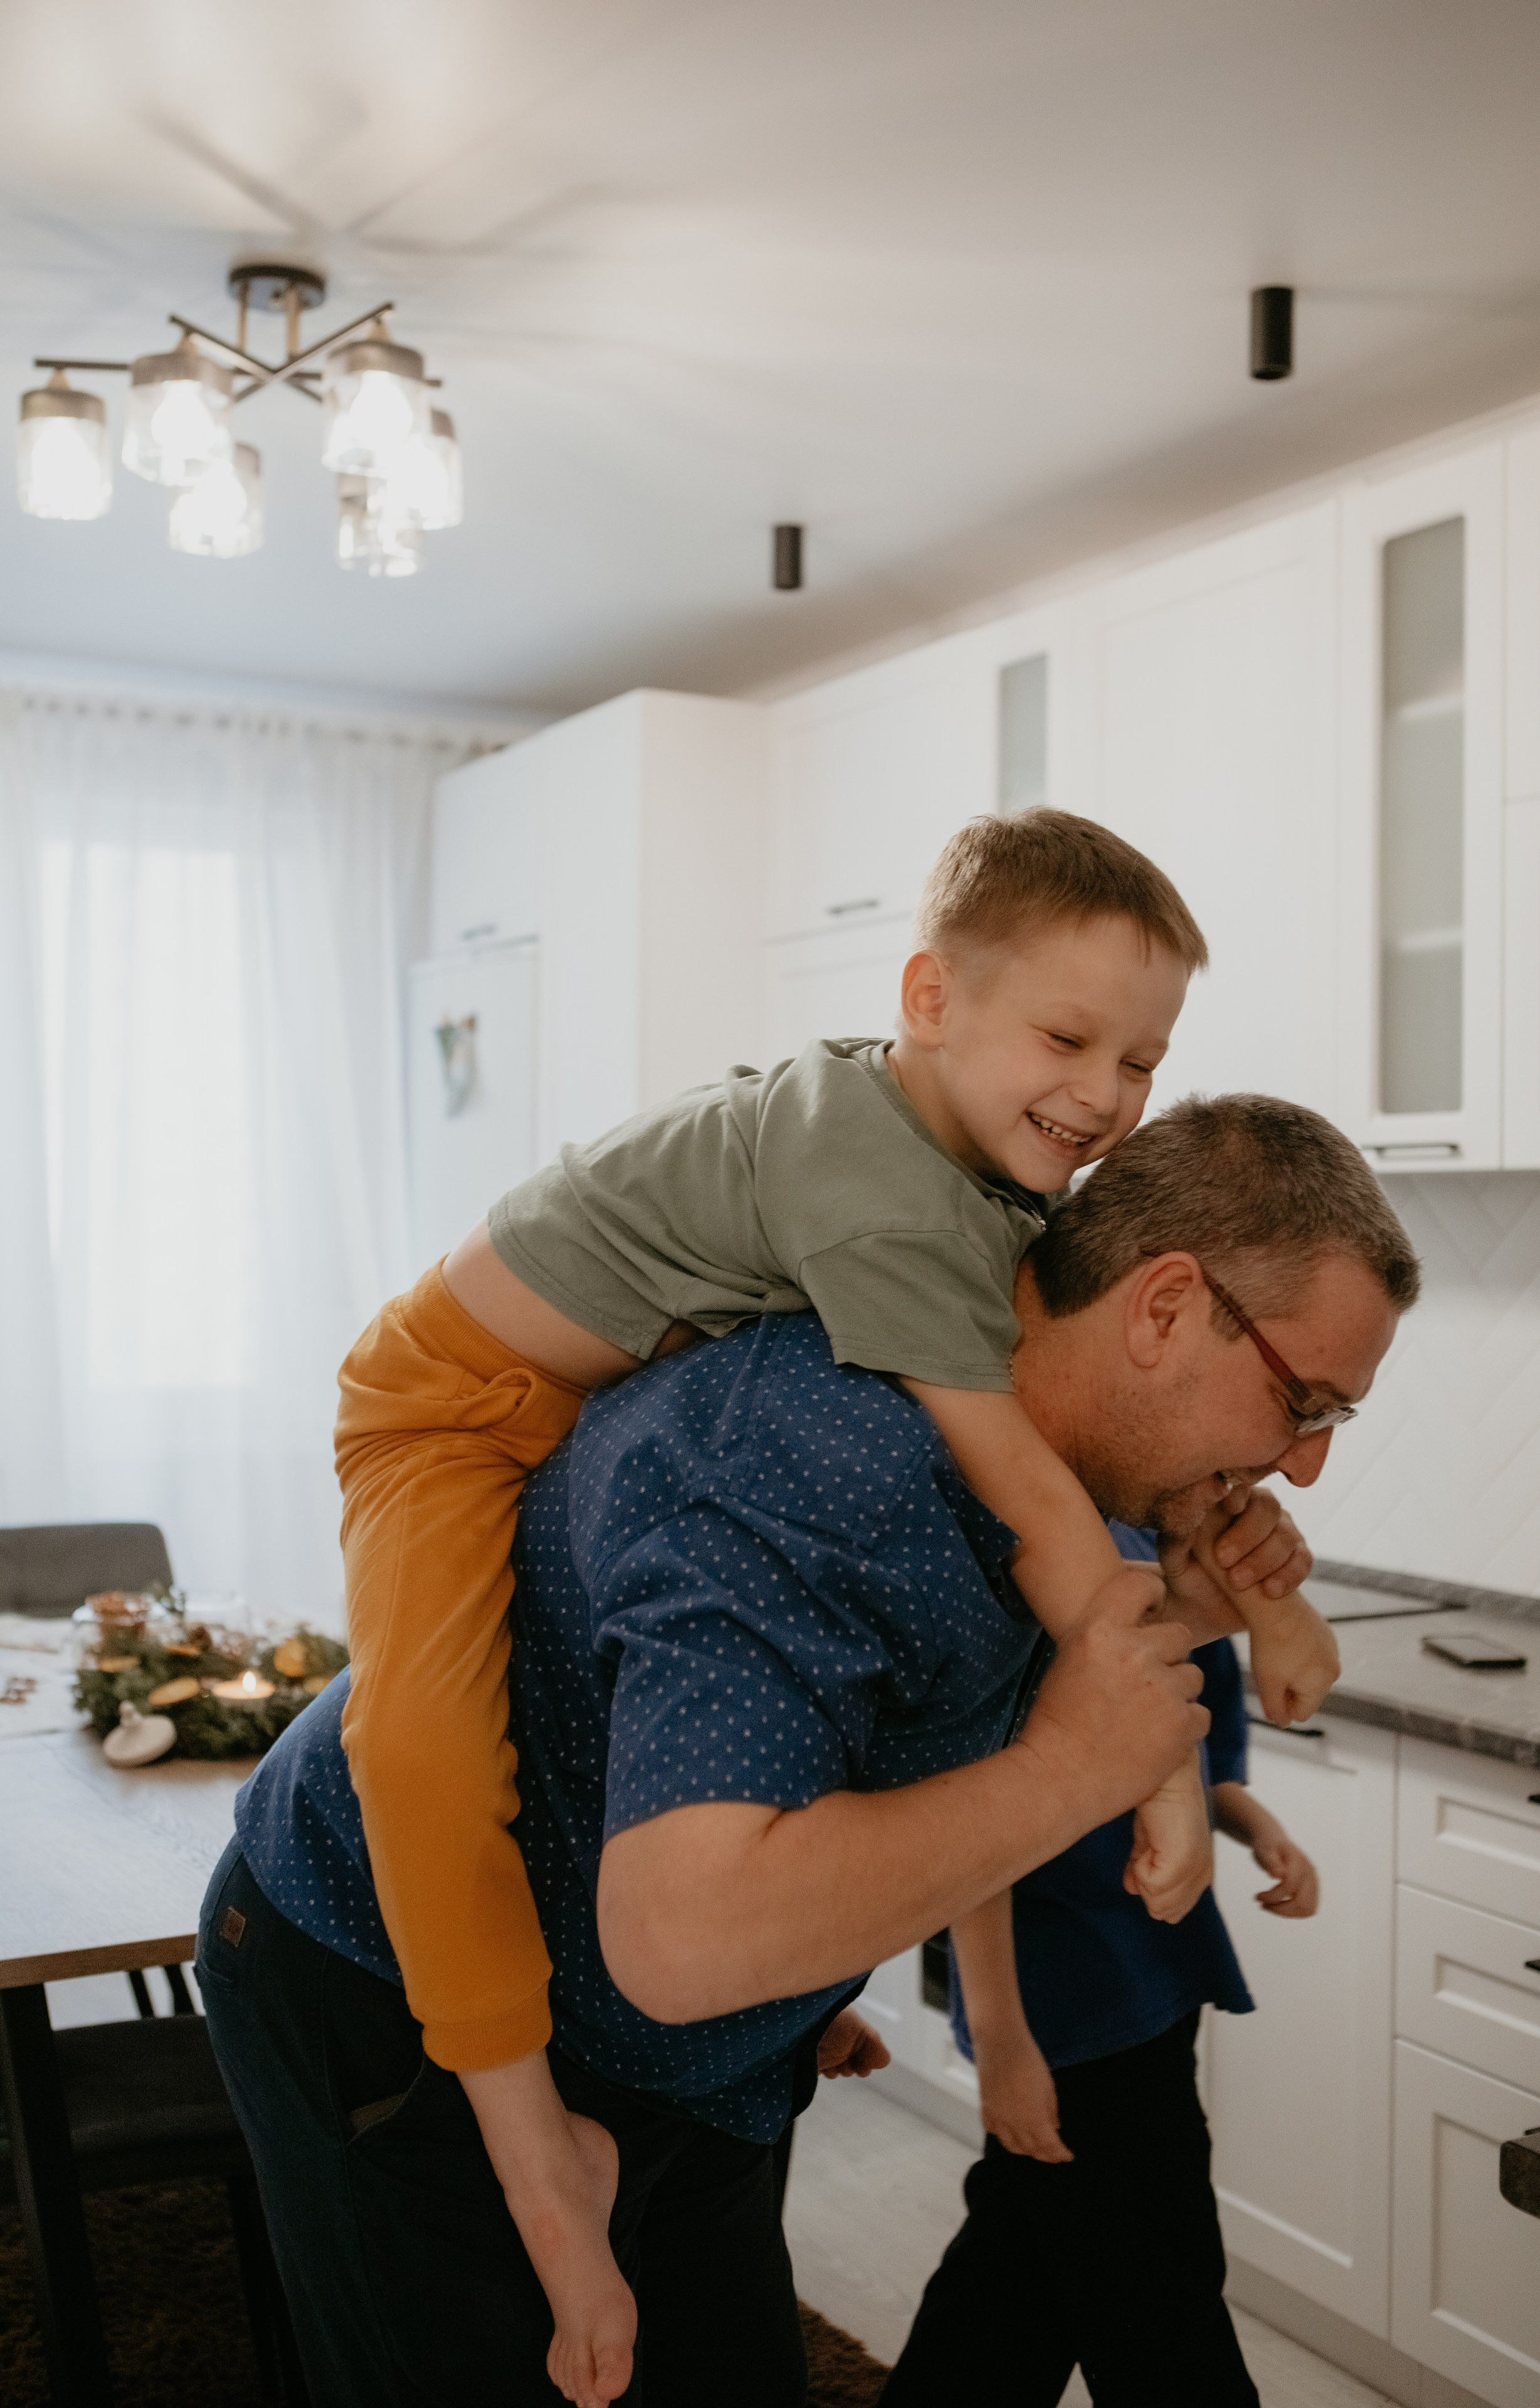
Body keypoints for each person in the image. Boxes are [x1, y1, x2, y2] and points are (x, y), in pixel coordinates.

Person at [196, 1090, 1415, 2408]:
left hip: (691, 2047)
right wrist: (1069, 1770)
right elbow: (682, 1937)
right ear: (1164, 1305)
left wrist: (1179, 1620)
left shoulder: (1071, 1468)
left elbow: (904, 1710)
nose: (1303, 1465)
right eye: (1302, 1401)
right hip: (383, 1969)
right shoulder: (807, 1457)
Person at [332, 813, 1339, 2400]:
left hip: (585, 1415)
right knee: (419, 1755)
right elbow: (1033, 1511)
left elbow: (979, 1611)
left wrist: (1233, 1621)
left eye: (1140, 1061)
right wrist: (1138, 1764)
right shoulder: (880, 1240)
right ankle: (535, 2160)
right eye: (1067, 1040)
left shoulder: (990, 1203)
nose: (1102, 1094)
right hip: (443, 1405)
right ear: (927, 999)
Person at [879, 1523, 1321, 2408]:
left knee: (1018, 2282)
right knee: (1163, 2312)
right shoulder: (1047, 1572)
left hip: (1160, 1983)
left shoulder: (1175, 1566)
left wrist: (1258, 1828)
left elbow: (1199, 1762)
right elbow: (975, 1836)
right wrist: (1001, 2038)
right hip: (1066, 2009)